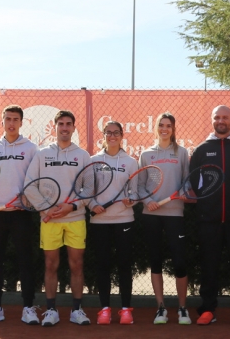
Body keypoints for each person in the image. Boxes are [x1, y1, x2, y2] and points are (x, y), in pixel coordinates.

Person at [25, 110, 92, 327]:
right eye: (61, 124)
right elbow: (30, 185)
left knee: (77, 265)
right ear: (55, 127)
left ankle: (76, 310)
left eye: (68, 124)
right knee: (51, 264)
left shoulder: (82, 155)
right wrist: (47, 209)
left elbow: (89, 187)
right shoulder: (42, 154)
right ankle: (51, 310)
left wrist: (71, 206)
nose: (64, 127)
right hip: (50, 220)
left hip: (76, 219)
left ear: (73, 128)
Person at [190, 105, 230, 326]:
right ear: (212, 120)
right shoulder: (201, 149)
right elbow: (194, 184)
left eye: (225, 117)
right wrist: (208, 206)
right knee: (208, 266)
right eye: (217, 117)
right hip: (209, 220)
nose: (221, 120)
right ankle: (208, 309)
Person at [0, 105, 39, 325]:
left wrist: (29, 199)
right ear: (2, 121)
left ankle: (28, 308)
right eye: (8, 119)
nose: (11, 123)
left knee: (25, 261)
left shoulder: (31, 148)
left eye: (15, 119)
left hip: (21, 214)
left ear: (21, 123)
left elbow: (35, 180)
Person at [138, 113, 191, 325]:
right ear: (156, 128)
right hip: (151, 215)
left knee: (179, 262)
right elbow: (140, 185)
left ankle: (182, 308)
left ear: (173, 128)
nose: (164, 129)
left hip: (175, 213)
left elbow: (187, 180)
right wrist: (148, 200)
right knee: (155, 261)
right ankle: (160, 308)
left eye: (168, 125)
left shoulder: (182, 153)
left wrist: (184, 191)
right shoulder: (146, 154)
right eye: (161, 125)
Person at [88, 121, 137, 325]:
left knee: (125, 265)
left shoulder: (131, 162)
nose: (112, 136)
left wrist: (131, 199)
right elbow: (87, 191)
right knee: (103, 265)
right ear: (103, 136)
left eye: (116, 133)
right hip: (99, 221)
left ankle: (126, 310)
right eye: (108, 133)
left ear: (122, 135)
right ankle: (105, 309)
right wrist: (92, 205)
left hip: (124, 219)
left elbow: (135, 192)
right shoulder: (94, 161)